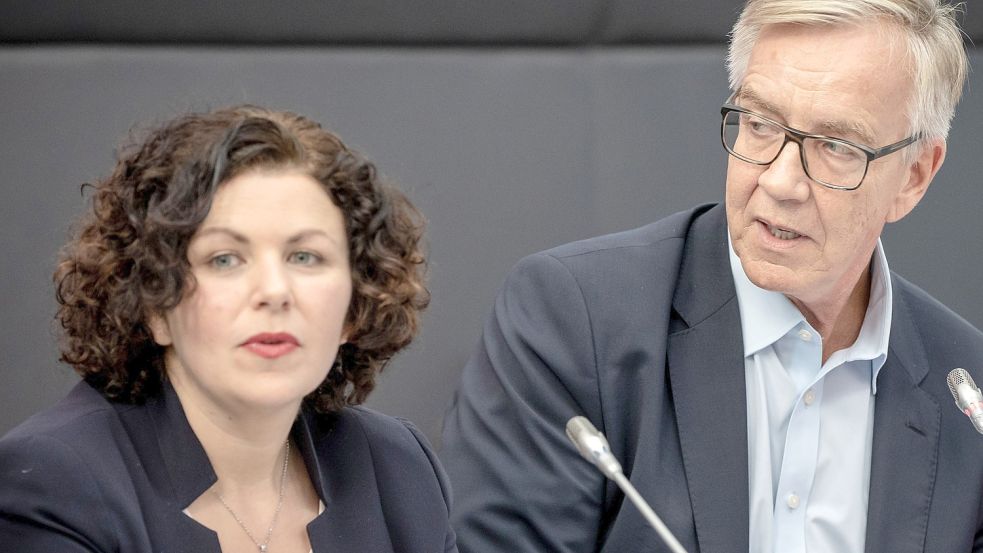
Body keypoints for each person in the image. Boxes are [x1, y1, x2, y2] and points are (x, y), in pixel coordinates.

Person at [441, 1, 983, 552]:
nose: (780, 181)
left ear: (914, 176)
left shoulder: (970, 394)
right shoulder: (574, 322)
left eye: (836, 146)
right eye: (760, 124)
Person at [0, 105, 457, 552]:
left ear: (356, 305)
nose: (275, 291)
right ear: (154, 302)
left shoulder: (398, 470)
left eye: (305, 257)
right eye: (225, 259)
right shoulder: (54, 484)